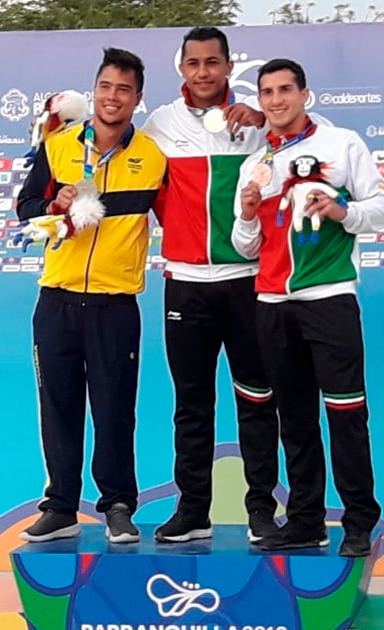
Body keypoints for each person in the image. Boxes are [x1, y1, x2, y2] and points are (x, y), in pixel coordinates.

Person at [230, 59, 384, 557]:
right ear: (259, 101)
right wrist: (244, 213)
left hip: (328, 298)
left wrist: (341, 211)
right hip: (272, 303)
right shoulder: (254, 164)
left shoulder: (341, 144)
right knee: (294, 418)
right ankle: (305, 520)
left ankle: (359, 521)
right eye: (267, 92)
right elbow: (245, 247)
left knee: (346, 414)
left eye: (285, 90)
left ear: (306, 94)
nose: (276, 100)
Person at [15, 47, 167, 544]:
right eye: (105, 86)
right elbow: (25, 207)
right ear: (94, 91)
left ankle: (119, 505)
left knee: (115, 408)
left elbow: (180, 219)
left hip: (114, 305)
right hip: (55, 300)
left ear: (137, 98)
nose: (113, 97)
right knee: (57, 407)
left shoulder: (153, 157)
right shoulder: (57, 146)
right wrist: (50, 202)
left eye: (124, 89)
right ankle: (60, 505)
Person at [141, 26, 283, 544]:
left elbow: (309, 140)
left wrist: (266, 119)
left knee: (257, 399)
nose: (203, 72)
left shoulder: (257, 123)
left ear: (228, 66)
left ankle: (261, 511)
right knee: (192, 404)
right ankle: (193, 510)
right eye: (193, 63)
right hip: (185, 285)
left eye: (213, 62)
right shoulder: (160, 123)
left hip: (247, 283)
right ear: (182, 68)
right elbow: (137, 182)